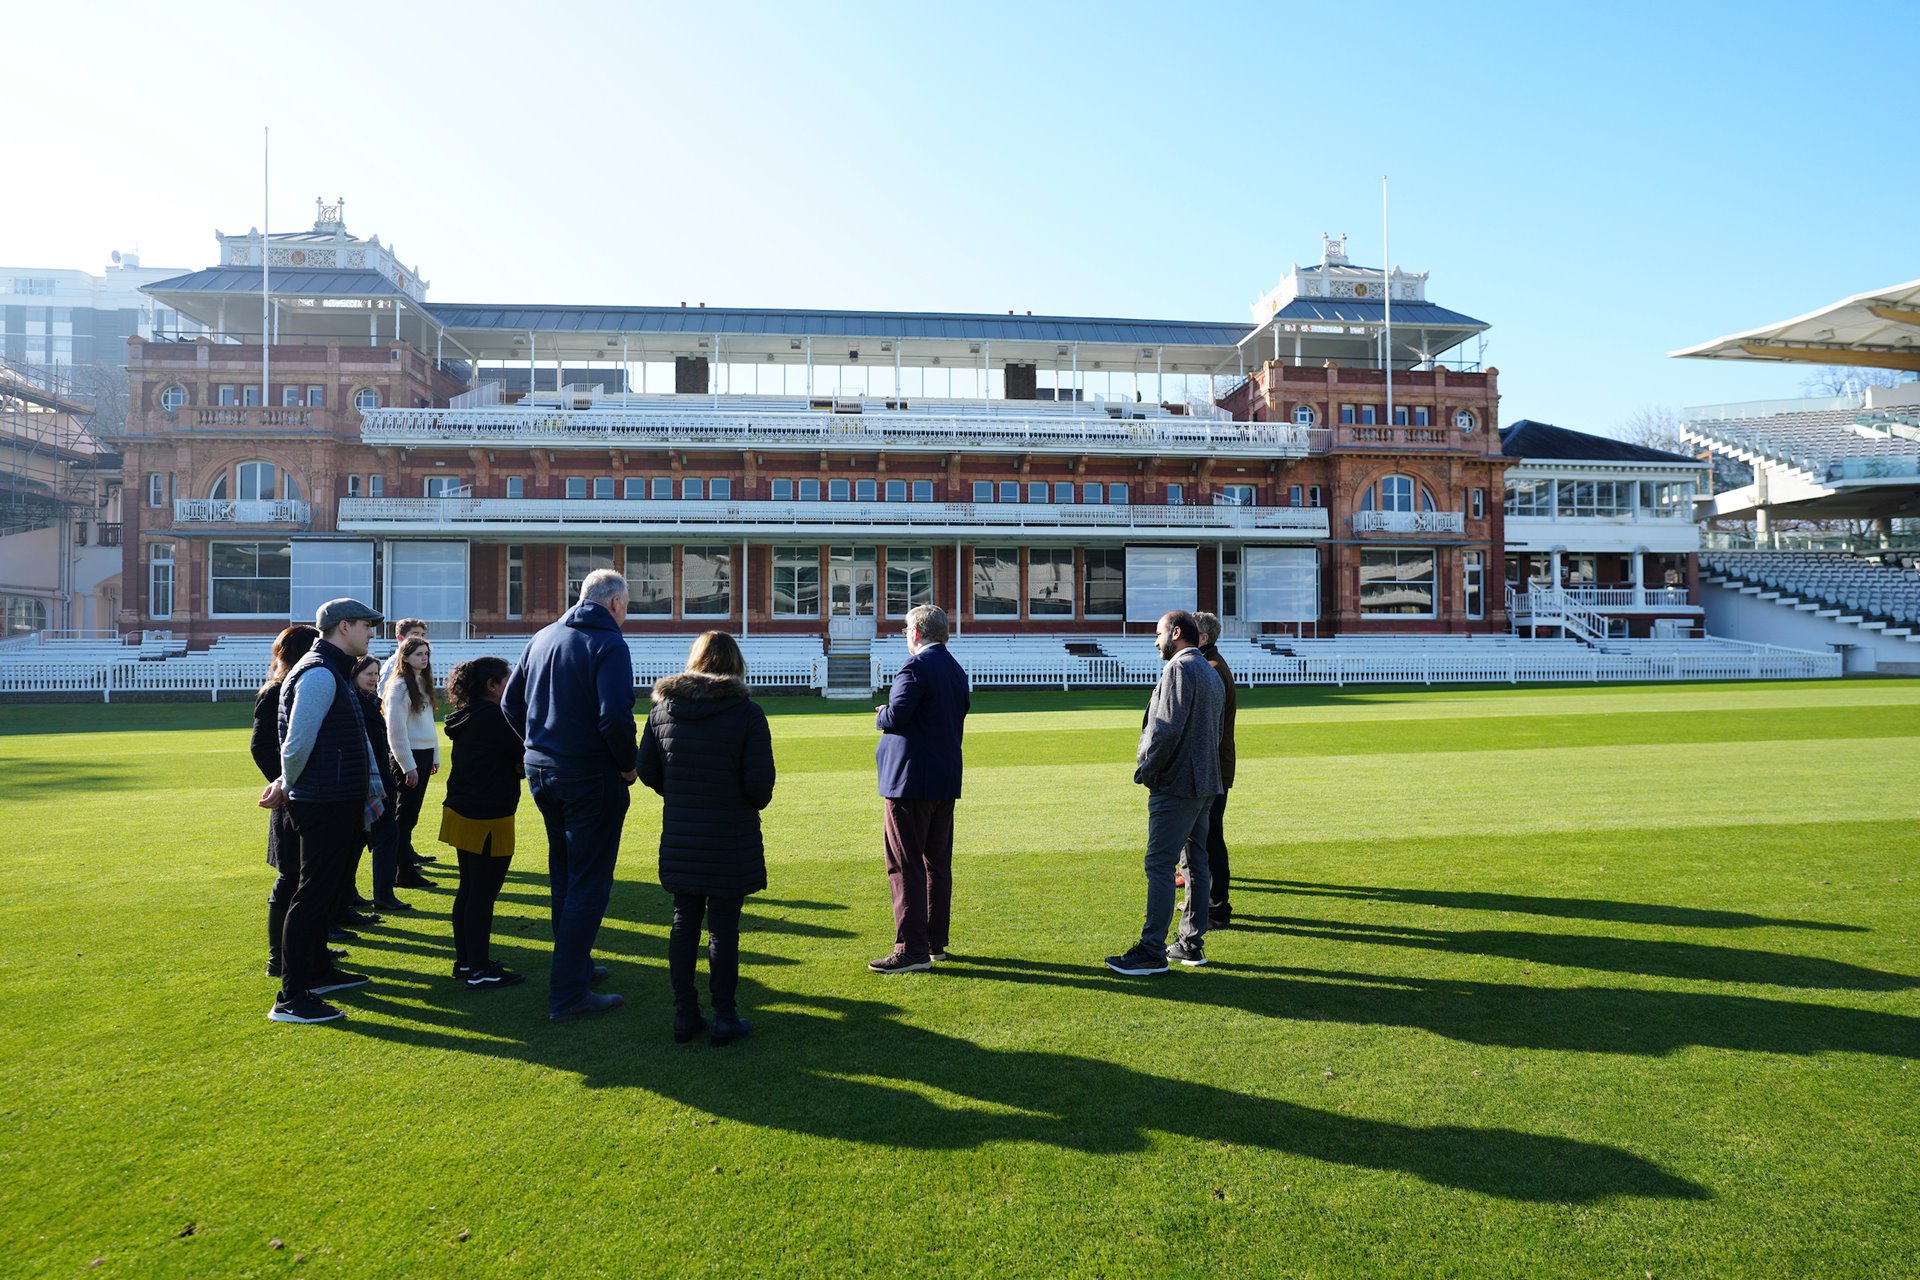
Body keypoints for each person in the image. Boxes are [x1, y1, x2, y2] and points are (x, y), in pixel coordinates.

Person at [503, 568, 637, 1022]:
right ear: (615, 603)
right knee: (589, 883)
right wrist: (626, 765)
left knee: (564, 875)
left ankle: (573, 967)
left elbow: (509, 703)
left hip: (543, 771)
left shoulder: (543, 636)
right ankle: (568, 992)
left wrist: (537, 744)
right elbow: (615, 717)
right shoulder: (608, 643)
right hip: (589, 777)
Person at [637, 632, 776, 1045]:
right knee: (723, 930)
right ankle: (725, 1015)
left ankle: (685, 1013)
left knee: (684, 923)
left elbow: (647, 769)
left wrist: (681, 793)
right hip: (730, 834)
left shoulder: (663, 711)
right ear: (735, 665)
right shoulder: (747, 713)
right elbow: (759, 787)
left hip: (682, 831)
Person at [260, 598, 386, 1023]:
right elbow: (296, 742)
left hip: (333, 798)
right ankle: (292, 996)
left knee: (322, 892)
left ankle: (317, 972)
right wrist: (287, 782)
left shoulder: (330, 668)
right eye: (367, 626)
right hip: (322, 801)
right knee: (312, 895)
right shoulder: (319, 672)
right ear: (343, 627)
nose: (372, 633)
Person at [1105, 609, 1224, 977]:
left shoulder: (1180, 668)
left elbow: (1166, 730)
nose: (1154, 641)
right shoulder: (1210, 669)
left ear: (1175, 633)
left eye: (1157, 634)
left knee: (1159, 865)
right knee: (1196, 863)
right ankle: (1190, 944)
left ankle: (1151, 951)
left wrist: (1147, 770)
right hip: (1205, 783)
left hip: (1177, 784)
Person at [869, 603, 969, 975]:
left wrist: (880, 712)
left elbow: (897, 715)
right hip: (943, 780)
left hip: (910, 781)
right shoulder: (956, 669)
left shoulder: (915, 666)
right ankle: (933, 942)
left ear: (916, 633)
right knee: (936, 864)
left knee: (905, 864)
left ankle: (910, 949)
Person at [439, 656, 526, 989]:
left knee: (470, 890)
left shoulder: (470, 714)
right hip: (488, 814)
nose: (511, 687)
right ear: (492, 685)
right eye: (506, 681)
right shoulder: (493, 717)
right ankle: (478, 968)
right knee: (482, 894)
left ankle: (467, 962)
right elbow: (523, 755)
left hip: (465, 809)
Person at [253, 623, 319, 979]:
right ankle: (278, 956)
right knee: (289, 875)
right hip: (291, 796)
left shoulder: (302, 685)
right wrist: (283, 784)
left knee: (305, 876)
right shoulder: (275, 691)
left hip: (306, 792)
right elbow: (260, 747)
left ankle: (307, 948)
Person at [351, 656, 409, 914]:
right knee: (385, 835)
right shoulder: (359, 702)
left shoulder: (370, 701)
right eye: (368, 674)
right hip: (369, 778)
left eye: (376, 673)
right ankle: (383, 894)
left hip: (379, 775)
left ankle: (356, 892)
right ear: (355, 676)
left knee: (362, 839)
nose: (374, 678)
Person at [1191, 611, 1238, 928]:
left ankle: (1218, 909)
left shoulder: (1212, 669)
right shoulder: (1212, 665)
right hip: (1214, 763)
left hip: (1213, 766)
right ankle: (1206, 903)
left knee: (1211, 838)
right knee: (1204, 837)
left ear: (1203, 638)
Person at [383, 634, 440, 887]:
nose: (424, 658)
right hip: (410, 757)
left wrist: (435, 755)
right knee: (404, 816)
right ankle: (401, 871)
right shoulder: (399, 686)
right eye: (418, 654)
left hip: (424, 755)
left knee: (410, 815)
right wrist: (408, 765)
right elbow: (395, 730)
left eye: (426, 654)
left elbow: (428, 724)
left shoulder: (421, 682)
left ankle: (404, 867)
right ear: (404, 657)